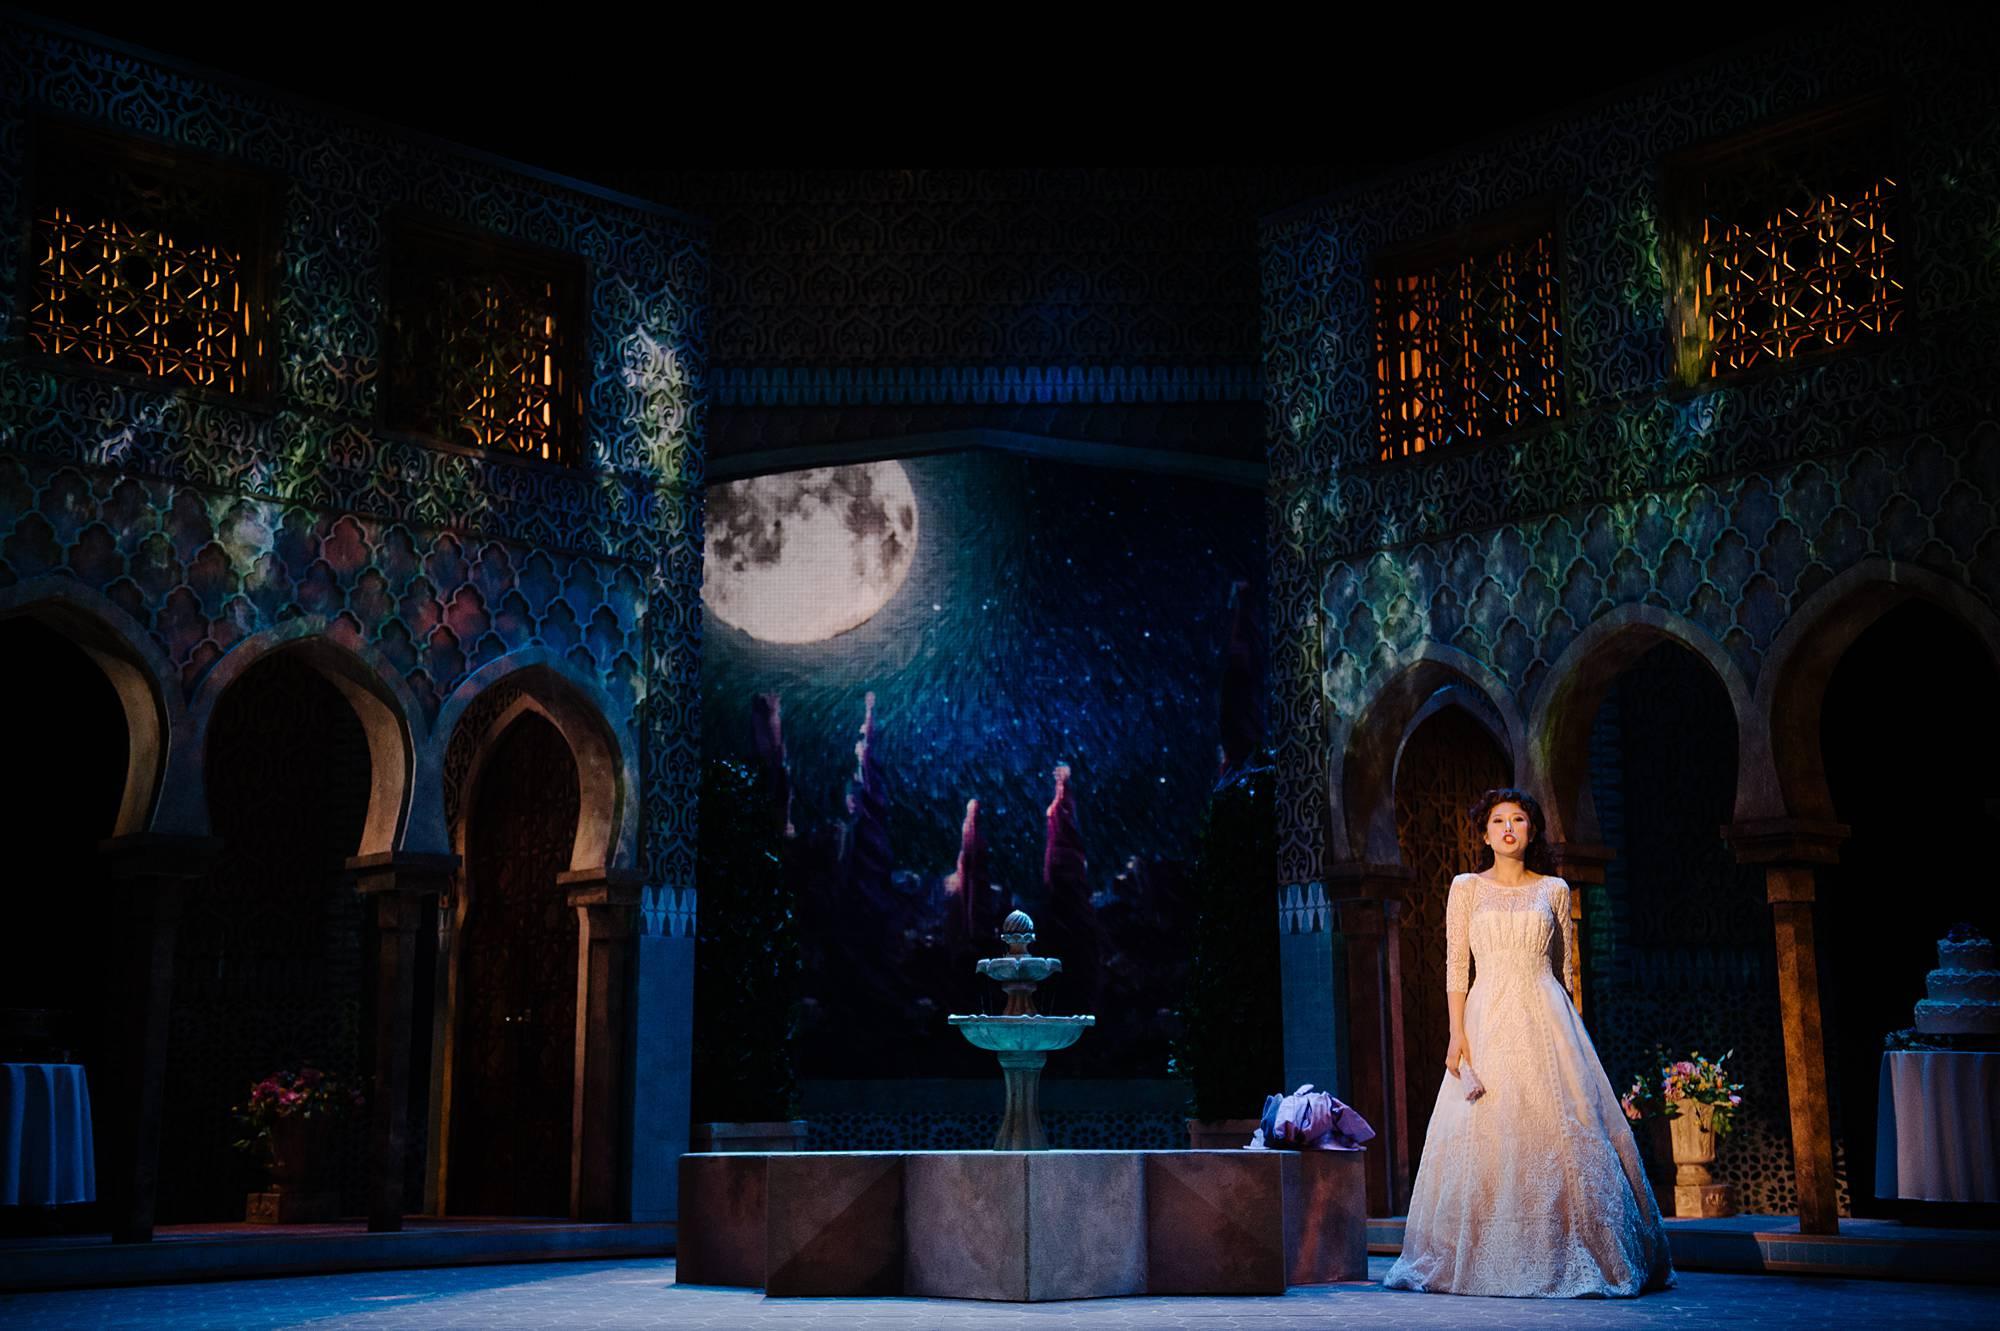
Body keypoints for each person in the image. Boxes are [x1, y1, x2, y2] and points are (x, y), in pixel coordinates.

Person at [1383, 788, 1675, 1298]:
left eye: (1519, 819)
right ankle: (1474, 1258)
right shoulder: (1466, 887)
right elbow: (1456, 966)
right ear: (1485, 832)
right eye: (1498, 820)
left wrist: (1572, 1038)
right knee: (1488, 1133)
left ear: (1533, 830)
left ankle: (1581, 1249)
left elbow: (1564, 969)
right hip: (1487, 1015)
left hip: (1546, 1018)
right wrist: (1457, 1033)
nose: (1509, 828)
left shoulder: (1554, 890)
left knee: (1561, 1132)